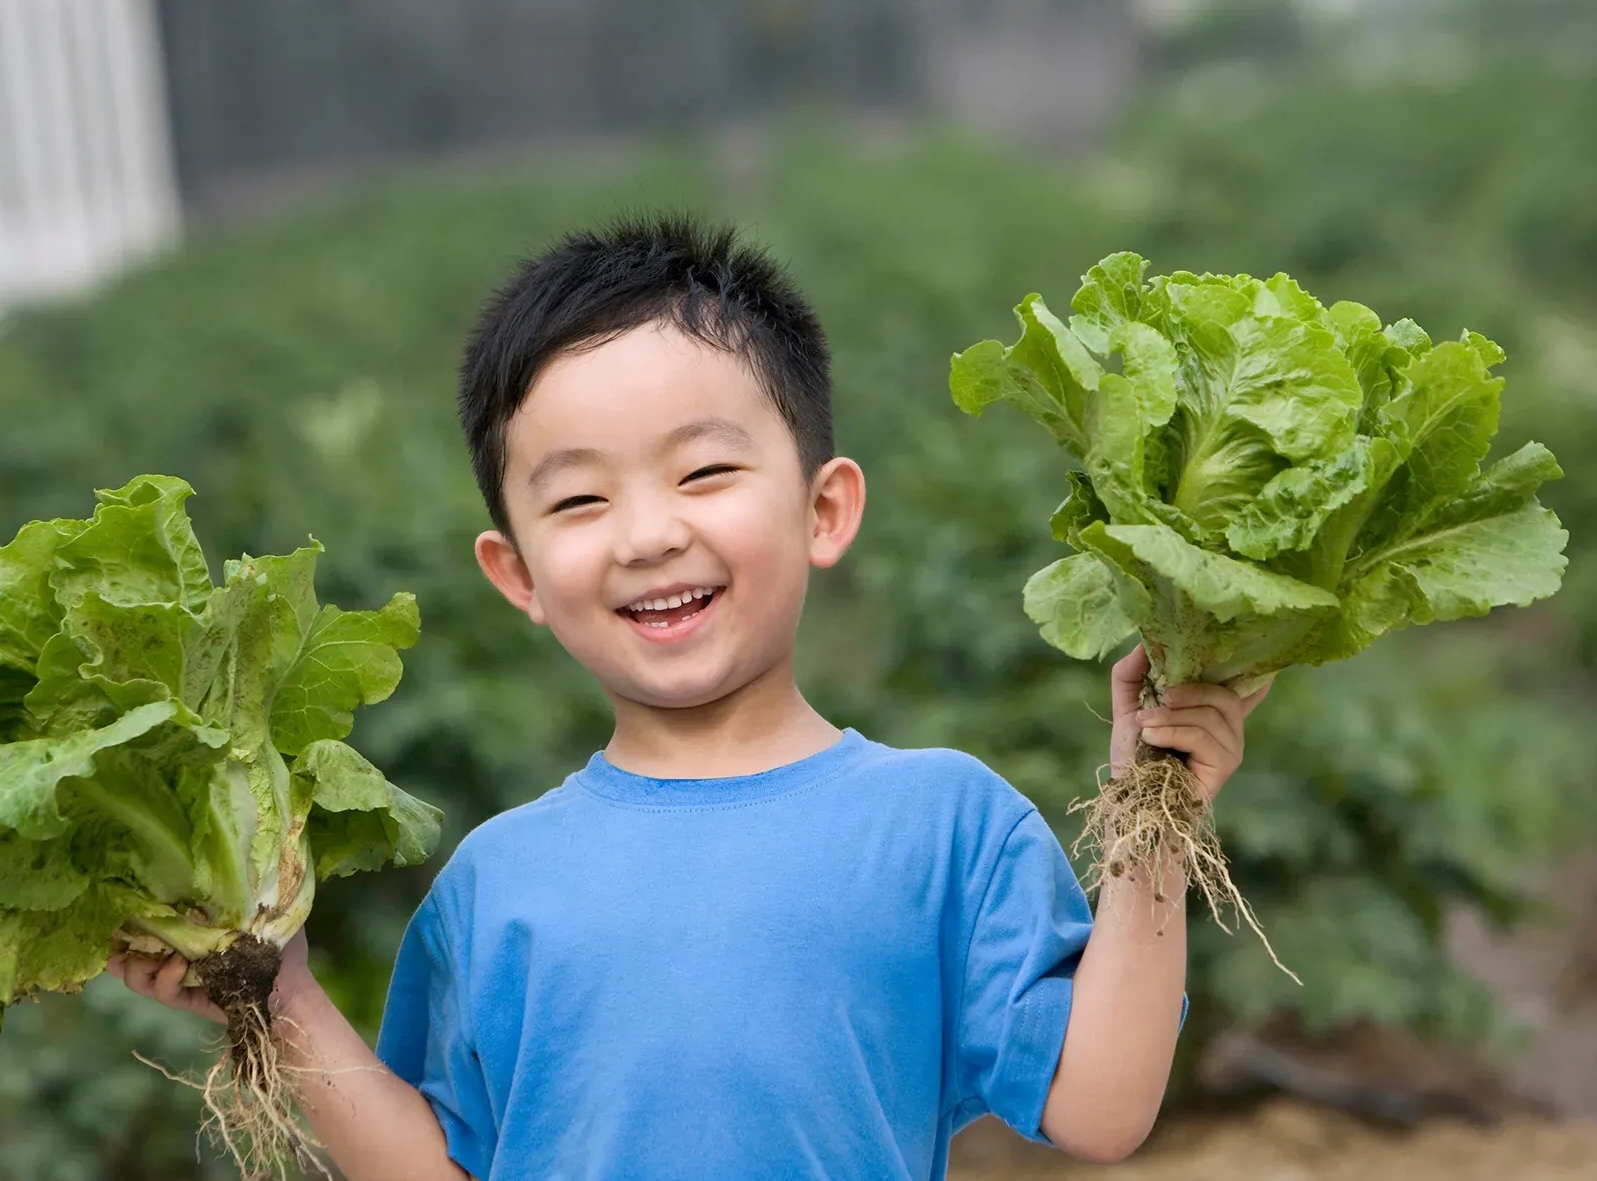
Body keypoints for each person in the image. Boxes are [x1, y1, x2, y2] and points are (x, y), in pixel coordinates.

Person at [109, 215, 1272, 1180]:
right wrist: (284, 996)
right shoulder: (494, 885)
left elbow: (1101, 1106)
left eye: (704, 472)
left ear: (823, 509)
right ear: (515, 573)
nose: (650, 535)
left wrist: (1152, 810)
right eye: (577, 503)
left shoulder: (941, 825)